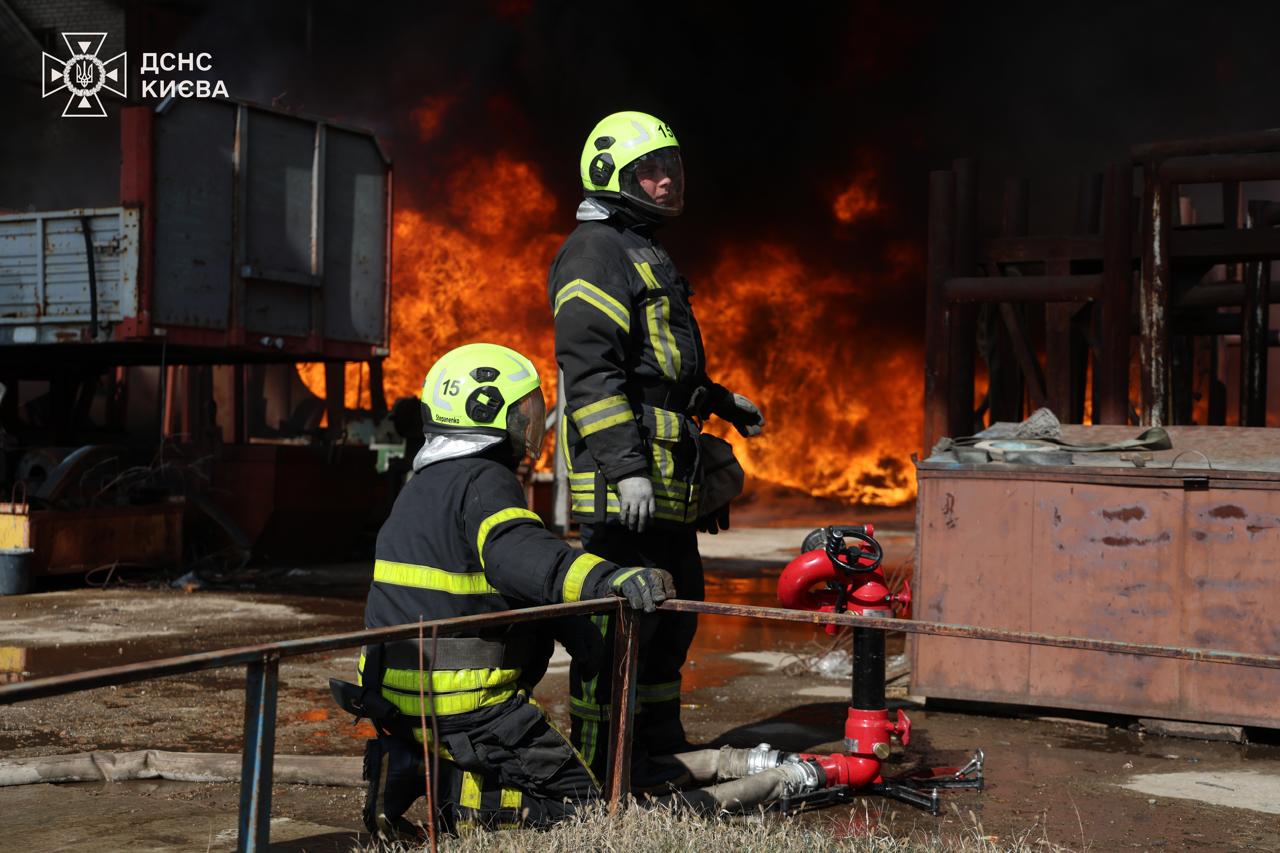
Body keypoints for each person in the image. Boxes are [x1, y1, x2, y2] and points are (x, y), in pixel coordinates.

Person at [331, 342, 678, 837]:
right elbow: (522, 557)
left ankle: (408, 759)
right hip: (464, 706)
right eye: (523, 412)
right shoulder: (484, 480)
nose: (530, 424)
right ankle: (432, 782)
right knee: (579, 808)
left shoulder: (423, 484)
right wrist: (610, 579)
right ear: (486, 411)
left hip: (395, 695)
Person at [547, 111, 765, 783]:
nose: (667, 179)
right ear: (610, 174)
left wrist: (724, 403)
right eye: (651, 170)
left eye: (672, 166)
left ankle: (658, 749)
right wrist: (628, 471)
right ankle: (600, 764)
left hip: (664, 484)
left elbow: (663, 373)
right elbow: (593, 374)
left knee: (671, 624)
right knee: (617, 631)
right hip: (627, 489)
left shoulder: (642, 248)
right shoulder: (595, 251)